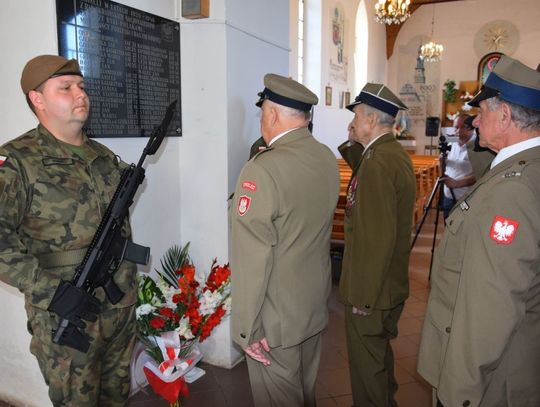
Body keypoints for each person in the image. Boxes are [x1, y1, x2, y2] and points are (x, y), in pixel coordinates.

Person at [0, 55, 138, 406]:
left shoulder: (104, 157)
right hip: (66, 312)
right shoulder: (17, 161)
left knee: (117, 398)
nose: (80, 94)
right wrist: (51, 291)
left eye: (82, 86)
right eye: (66, 88)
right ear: (37, 99)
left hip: (118, 307)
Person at [417, 55, 540, 406]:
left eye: (482, 111)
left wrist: (460, 394)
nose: (474, 119)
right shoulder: (524, 169)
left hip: (490, 381)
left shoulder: (512, 191)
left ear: (505, 117)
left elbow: (491, 307)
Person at [230, 73, 340, 406]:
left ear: (273, 114)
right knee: (305, 395)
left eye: (263, 110)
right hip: (311, 306)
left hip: (274, 321)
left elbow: (253, 258)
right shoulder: (325, 157)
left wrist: (247, 328)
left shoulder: (262, 169)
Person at [338, 83, 416, 406]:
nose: (353, 123)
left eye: (356, 117)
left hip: (372, 293)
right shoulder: (389, 155)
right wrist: (353, 141)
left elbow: (376, 238)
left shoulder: (378, 164)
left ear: (370, 119)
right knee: (379, 364)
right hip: (388, 288)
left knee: (367, 373)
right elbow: (366, 173)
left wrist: (363, 298)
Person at [440, 113, 477, 218]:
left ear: (472, 128)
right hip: (448, 196)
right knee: (448, 229)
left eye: (464, 127)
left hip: (466, 198)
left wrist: (457, 183)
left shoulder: (478, 147)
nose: (458, 131)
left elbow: (481, 174)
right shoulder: (450, 144)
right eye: (456, 127)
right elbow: (444, 169)